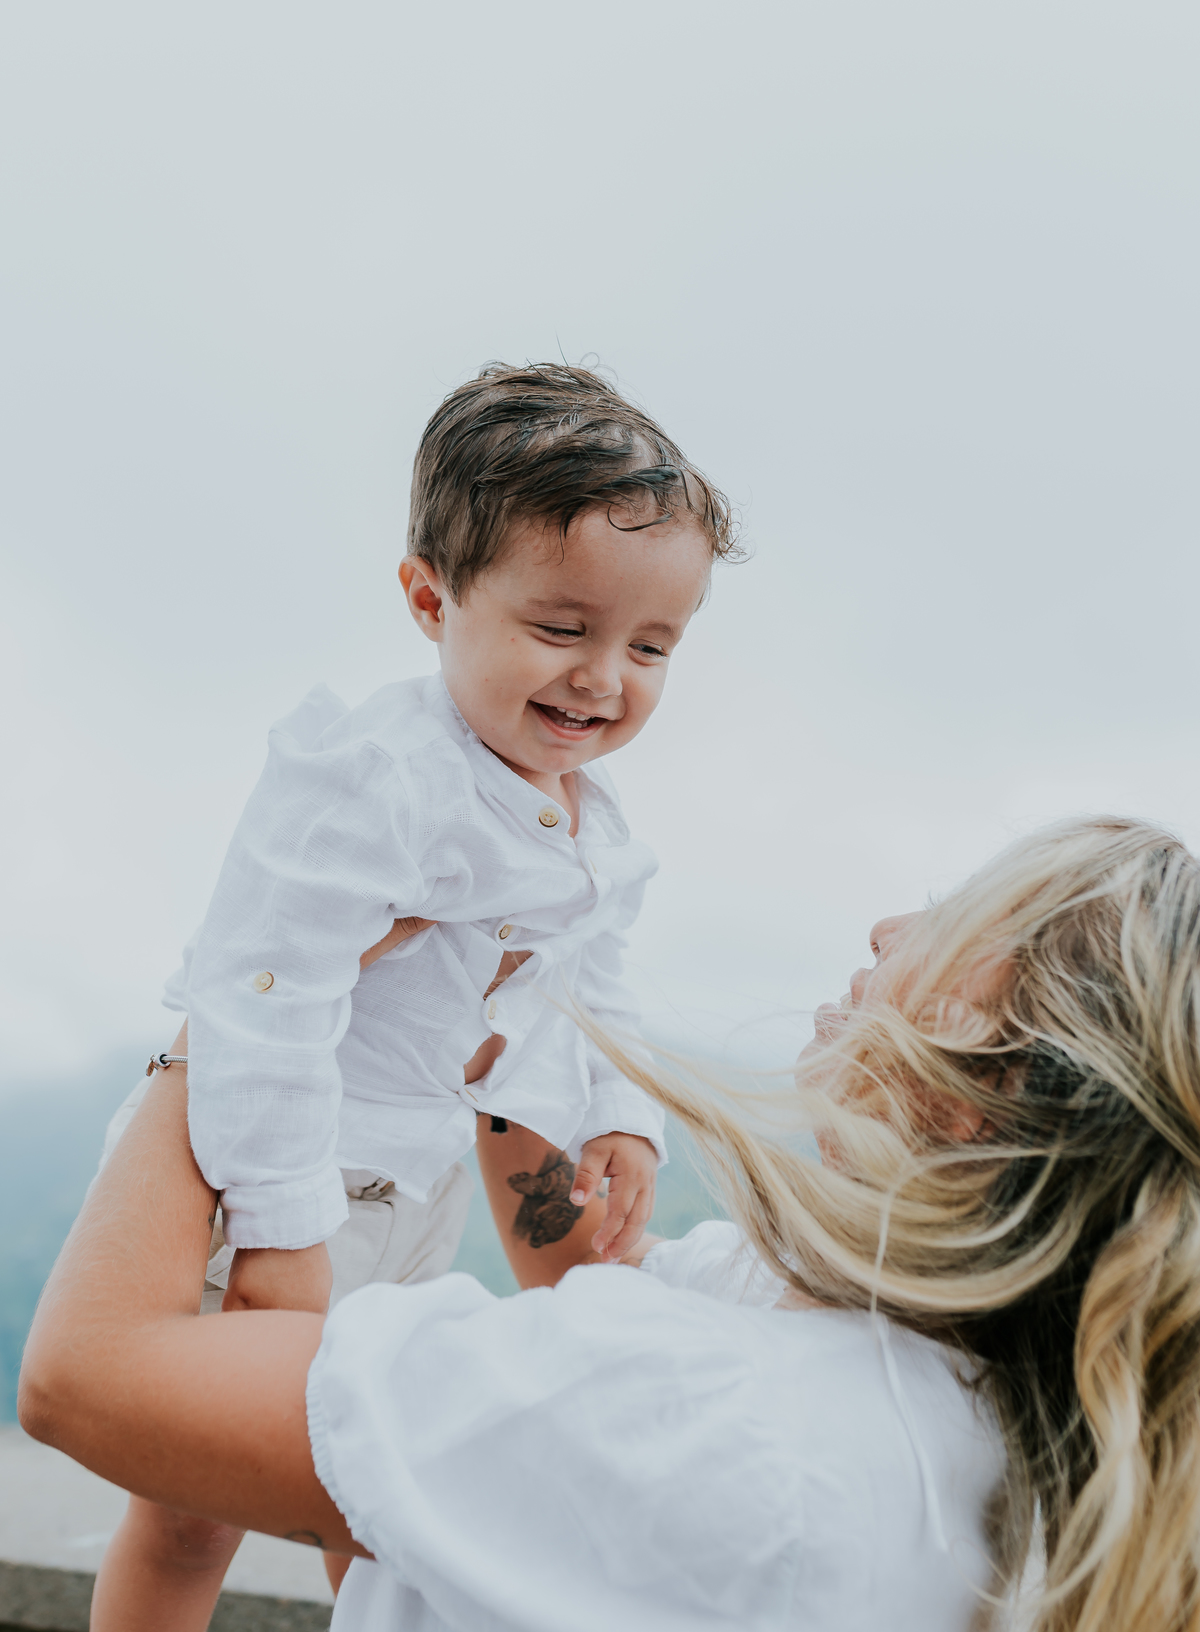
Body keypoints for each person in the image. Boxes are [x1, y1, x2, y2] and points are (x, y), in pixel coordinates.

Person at [23, 815, 1200, 1631]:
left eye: (950, 914)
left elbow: (91, 1375)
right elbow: (597, 1285)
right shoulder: (1003, 1408)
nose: (890, 928)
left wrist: (257, 992)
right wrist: (501, 1030)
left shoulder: (706, 1425)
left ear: (993, 1066)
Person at [88, 361, 742, 1627]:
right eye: (564, 629)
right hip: (271, 1181)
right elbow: (261, 998)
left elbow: (594, 978)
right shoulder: (375, 777)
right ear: (430, 599)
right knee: (190, 1506)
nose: (604, 679)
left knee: (378, 1488)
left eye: (651, 646)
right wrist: (280, 1232)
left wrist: (625, 1119)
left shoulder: (586, 816)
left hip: (416, 1189)